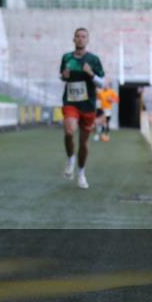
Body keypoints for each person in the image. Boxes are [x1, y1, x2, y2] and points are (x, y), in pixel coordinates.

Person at [59, 28, 105, 189]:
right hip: (71, 102)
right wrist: (63, 76)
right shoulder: (66, 57)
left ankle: (81, 173)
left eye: (83, 36)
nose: (80, 39)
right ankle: (70, 159)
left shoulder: (93, 59)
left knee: (84, 143)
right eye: (78, 36)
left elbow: (102, 83)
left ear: (87, 40)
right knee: (69, 131)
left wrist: (91, 74)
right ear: (74, 39)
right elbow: (62, 76)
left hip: (88, 105)